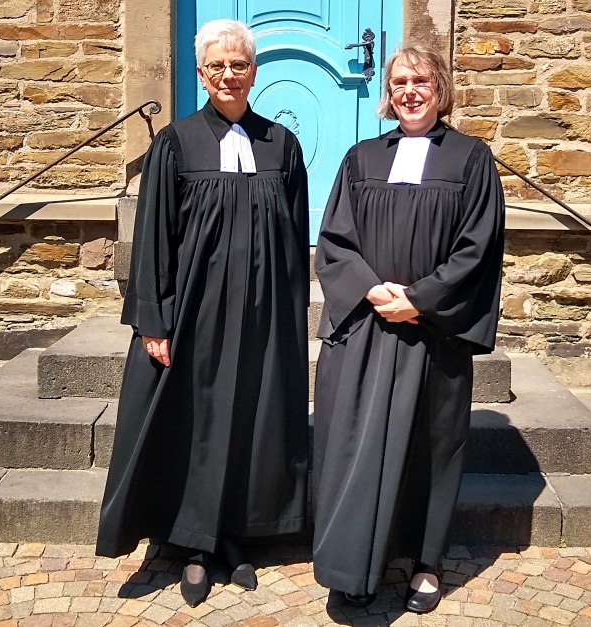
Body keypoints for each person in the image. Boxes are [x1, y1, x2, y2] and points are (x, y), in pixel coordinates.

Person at [96, 19, 310, 608]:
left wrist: (292, 317)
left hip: (264, 315)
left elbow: (295, 239)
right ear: (200, 73)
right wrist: (153, 320)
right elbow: (154, 239)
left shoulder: (281, 145)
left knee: (251, 419)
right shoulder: (176, 142)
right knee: (196, 423)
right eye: (216, 65)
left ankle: (238, 532)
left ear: (254, 71)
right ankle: (192, 544)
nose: (227, 75)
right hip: (193, 314)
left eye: (238, 64)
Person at [310, 45, 506, 614]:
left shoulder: (472, 159)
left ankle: (425, 562)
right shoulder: (361, 157)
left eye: (420, 80)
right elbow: (334, 240)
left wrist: (418, 301)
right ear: (387, 94)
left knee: (430, 445)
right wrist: (374, 291)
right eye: (399, 83)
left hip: (434, 332)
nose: (410, 91)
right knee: (352, 443)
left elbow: (479, 247)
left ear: (440, 88)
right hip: (366, 324)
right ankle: (353, 562)